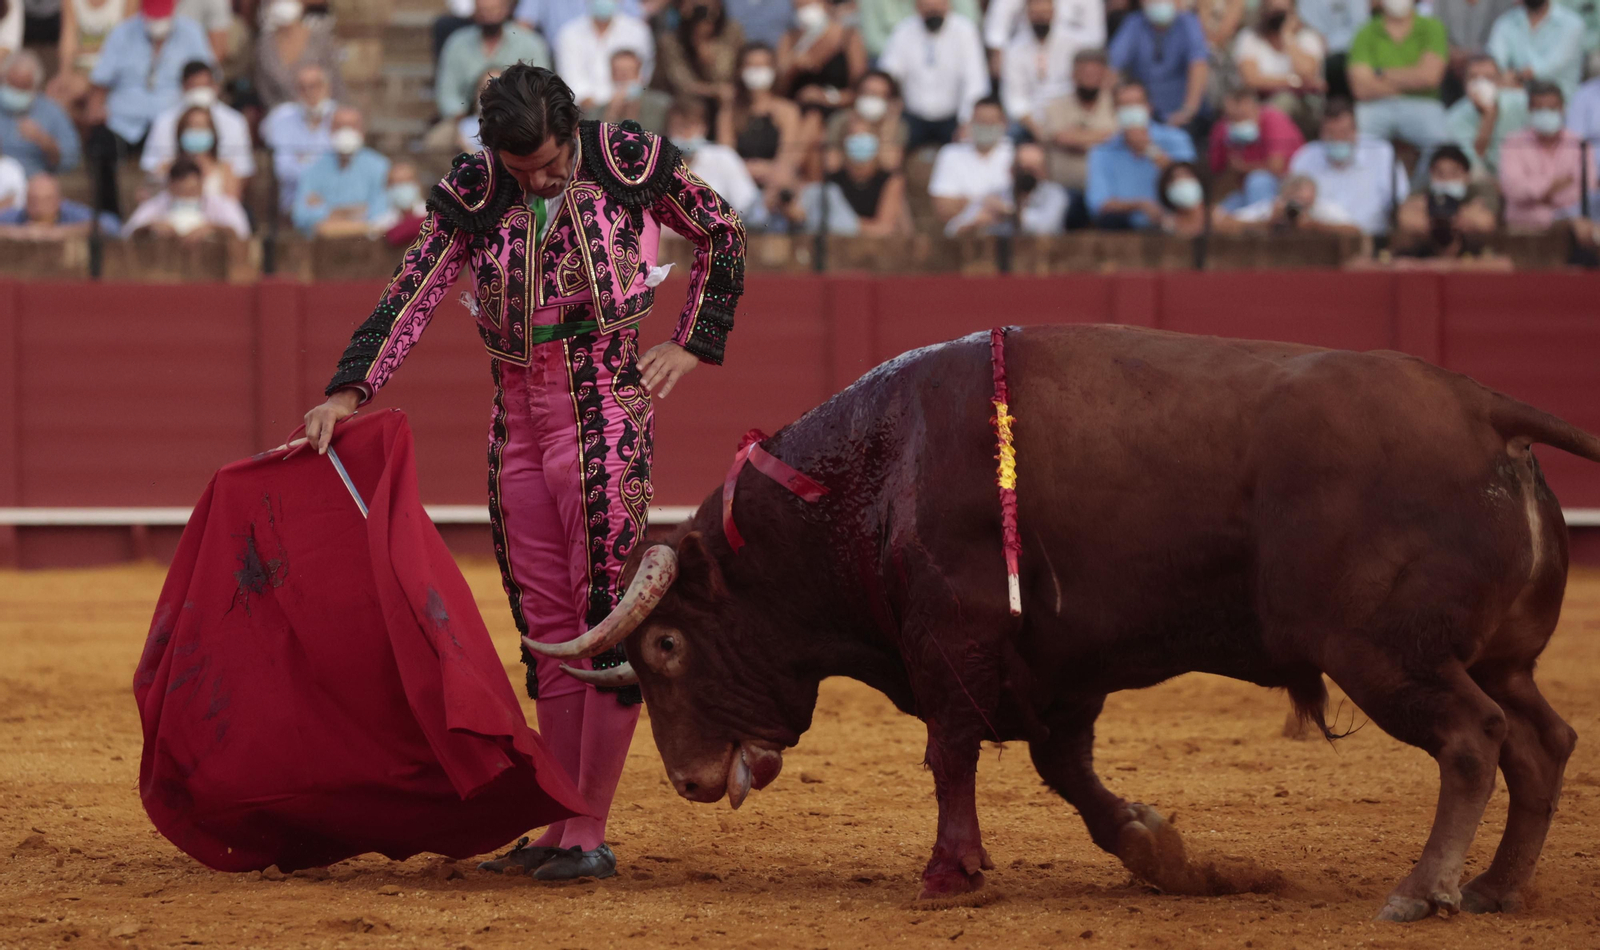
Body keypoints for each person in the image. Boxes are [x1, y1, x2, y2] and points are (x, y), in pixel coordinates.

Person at [301, 65, 746, 883]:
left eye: (549, 164)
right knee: (545, 623)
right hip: (517, 421)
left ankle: (589, 828)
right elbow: (416, 288)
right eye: (521, 172)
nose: (538, 182)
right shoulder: (478, 188)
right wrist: (348, 388)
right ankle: (557, 821)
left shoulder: (627, 160)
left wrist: (691, 341)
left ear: (570, 131)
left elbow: (723, 231)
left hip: (604, 409)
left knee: (603, 617)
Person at [89, 0, 214, 151]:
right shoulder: (122, 32)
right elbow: (101, 79)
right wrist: (96, 107)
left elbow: (207, 75)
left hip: (174, 122)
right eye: (153, 14)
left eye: (162, 14)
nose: (157, 20)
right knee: (100, 142)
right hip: (124, 123)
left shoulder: (191, 32)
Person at [1345, 0, 1449, 176]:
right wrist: (1413, 81)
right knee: (1356, 142)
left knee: (1444, 146)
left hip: (1424, 106)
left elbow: (1431, 77)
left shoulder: (1433, 27)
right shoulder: (1365, 31)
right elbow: (1360, 88)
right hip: (1375, 106)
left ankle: (1417, 195)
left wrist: (1379, 73)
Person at [878, 0, 990, 151]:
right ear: (917, 7)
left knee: (969, 145)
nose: (933, 11)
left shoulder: (965, 31)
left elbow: (975, 80)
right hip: (913, 116)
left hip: (954, 117)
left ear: (948, 5)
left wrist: (967, 120)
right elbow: (889, 75)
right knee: (888, 141)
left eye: (937, 7)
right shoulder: (903, 31)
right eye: (927, 7)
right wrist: (891, 109)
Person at [1287, 97, 1408, 235]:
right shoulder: (1305, 157)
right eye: (1331, 133)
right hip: (1320, 240)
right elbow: (1292, 204)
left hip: (1371, 240)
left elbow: (1400, 202)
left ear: (1356, 131)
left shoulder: (1382, 153)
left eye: (1344, 132)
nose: (1338, 139)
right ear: (1320, 132)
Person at [436, 0, 550, 147]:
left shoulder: (529, 42)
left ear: (507, 10)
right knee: (436, 142)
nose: (489, 16)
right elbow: (447, 92)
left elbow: (541, 87)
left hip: (520, 116)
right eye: (483, 10)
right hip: (468, 117)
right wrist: (461, 118)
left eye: (494, 10)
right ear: (474, 11)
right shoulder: (457, 43)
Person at [1085, 80, 1196, 229]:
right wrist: (1140, 205)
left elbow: (1189, 189)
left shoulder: (1176, 139)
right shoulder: (1102, 151)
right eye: (1125, 105)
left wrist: (1151, 150)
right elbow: (1098, 204)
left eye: (1137, 103)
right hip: (1125, 232)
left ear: (1149, 107)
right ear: (1115, 111)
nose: (1131, 109)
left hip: (1173, 226)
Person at [1499, 81, 1597, 231]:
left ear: (1562, 109)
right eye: (1540, 108)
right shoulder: (1513, 143)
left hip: (1574, 226)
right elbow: (1514, 189)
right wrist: (1556, 185)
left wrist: (1540, 194)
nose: (1546, 113)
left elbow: (1587, 189)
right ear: (1530, 110)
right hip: (1527, 227)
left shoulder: (1579, 144)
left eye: (1552, 108)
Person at [1038, 47, 1115, 227]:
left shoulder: (1116, 105)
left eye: (1095, 73)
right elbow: (1062, 138)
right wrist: (1101, 139)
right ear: (1073, 74)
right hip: (1064, 190)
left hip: (1108, 192)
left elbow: (1119, 137)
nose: (1089, 78)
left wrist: (1078, 137)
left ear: (1105, 75)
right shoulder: (1055, 106)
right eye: (1084, 73)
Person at [141, 60, 252, 181]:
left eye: (205, 85)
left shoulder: (235, 121)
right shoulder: (164, 121)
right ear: (183, 87)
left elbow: (242, 171)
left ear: (215, 86)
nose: (200, 91)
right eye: (194, 86)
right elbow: (151, 168)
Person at [1106, 0, 1210, 130]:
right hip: (1144, 116)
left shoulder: (1188, 22)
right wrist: (1112, 109)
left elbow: (1198, 65)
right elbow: (1112, 66)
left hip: (1185, 115)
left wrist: (1188, 110)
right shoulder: (1133, 22)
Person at [291, 106, 389, 236]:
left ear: (362, 130)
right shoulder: (313, 168)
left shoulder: (380, 166)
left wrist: (329, 212)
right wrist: (350, 213)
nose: (346, 131)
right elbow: (301, 215)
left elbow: (382, 211)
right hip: (323, 246)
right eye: (340, 126)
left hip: (366, 243)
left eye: (352, 126)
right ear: (330, 130)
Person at [666, 95, 765, 224]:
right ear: (668, 129)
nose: (685, 133)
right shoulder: (656, 164)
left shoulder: (723, 157)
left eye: (691, 126)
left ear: (704, 128)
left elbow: (749, 208)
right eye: (679, 127)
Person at [721, 42, 804, 195]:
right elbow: (725, 155)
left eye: (762, 65)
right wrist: (748, 170)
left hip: (775, 184)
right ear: (740, 70)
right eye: (751, 65)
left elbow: (788, 157)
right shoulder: (730, 110)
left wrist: (766, 170)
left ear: (773, 70)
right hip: (737, 184)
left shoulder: (788, 110)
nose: (757, 70)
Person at [1231, 0, 1325, 129]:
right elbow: (1251, 79)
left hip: (1301, 107)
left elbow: (1307, 73)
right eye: (1273, 11)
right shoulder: (1250, 37)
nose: (1276, 18)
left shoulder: (1308, 37)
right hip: (1257, 103)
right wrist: (1294, 82)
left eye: (1281, 12)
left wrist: (1287, 36)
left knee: (1284, 101)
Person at [928, 96, 1015, 235]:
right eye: (981, 121)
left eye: (991, 122)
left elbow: (1026, 207)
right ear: (970, 122)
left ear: (1004, 123)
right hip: (963, 236)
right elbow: (942, 208)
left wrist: (967, 202)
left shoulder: (1016, 154)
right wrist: (985, 205)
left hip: (1009, 235)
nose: (986, 126)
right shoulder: (950, 154)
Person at [1207, 86, 1302, 210]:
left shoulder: (1274, 120)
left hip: (1284, 186)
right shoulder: (1223, 130)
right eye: (1231, 117)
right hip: (1244, 190)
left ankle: (1261, 225)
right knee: (1220, 212)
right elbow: (1218, 174)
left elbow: (1276, 167)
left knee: (1258, 180)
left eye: (1242, 116)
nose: (1237, 122)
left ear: (1255, 108)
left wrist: (1242, 167)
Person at [1394, 143, 1498, 255]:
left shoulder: (1480, 190)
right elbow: (1405, 218)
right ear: (1431, 174)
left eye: (1454, 173)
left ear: (1467, 175)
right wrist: (1459, 215)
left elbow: (1486, 222)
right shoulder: (1423, 192)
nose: (1447, 179)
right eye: (1440, 174)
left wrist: (1445, 212)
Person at [260, 63, 335, 213]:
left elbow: (345, 167)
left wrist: (303, 161)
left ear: (327, 87)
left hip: (336, 196)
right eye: (302, 87)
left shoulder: (341, 116)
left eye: (314, 86)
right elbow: (284, 170)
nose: (309, 92)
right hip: (295, 198)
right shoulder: (280, 118)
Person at [1001, 0, 1083, 134]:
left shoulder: (1074, 43)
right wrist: (1036, 129)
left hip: (1069, 114)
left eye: (1045, 13)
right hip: (1031, 120)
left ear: (1054, 13)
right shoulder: (1014, 50)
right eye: (1036, 14)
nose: (1041, 18)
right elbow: (1014, 98)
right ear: (1027, 15)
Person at [554, 0, 652, 112]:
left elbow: (641, 76)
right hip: (582, 111)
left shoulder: (638, 31)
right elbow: (570, 78)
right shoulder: (569, 33)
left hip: (628, 108)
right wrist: (595, 108)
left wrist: (619, 100)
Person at [657, 0, 747, 116]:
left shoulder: (732, 31)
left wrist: (712, 58)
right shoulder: (671, 42)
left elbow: (729, 73)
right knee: (691, 105)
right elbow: (683, 84)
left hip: (727, 97)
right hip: (688, 102)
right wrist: (715, 90)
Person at [123, 156, 249, 237]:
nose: (187, 197)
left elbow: (243, 235)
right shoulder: (156, 204)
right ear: (170, 187)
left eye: (192, 191)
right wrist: (149, 227)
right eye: (181, 191)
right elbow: (126, 235)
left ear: (202, 184)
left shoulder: (223, 204)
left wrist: (213, 228)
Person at [0, 50, 81, 177]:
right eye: (12, 85)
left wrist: (44, 141)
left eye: (22, 88)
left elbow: (71, 159)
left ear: (35, 86)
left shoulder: (51, 111)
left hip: (35, 183)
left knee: (44, 191)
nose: (15, 92)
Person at [1485, 0, 1586, 101]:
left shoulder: (1572, 23)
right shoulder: (1506, 21)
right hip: (1516, 97)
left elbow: (1549, 67)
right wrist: (1503, 77)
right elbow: (1494, 61)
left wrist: (1516, 76)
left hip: (1561, 101)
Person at [1445, 53, 1528, 174]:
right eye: (1474, 78)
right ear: (1464, 82)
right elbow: (1473, 163)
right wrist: (1489, 116)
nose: (1481, 84)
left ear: (1500, 81)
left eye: (1488, 78)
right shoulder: (1454, 118)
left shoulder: (1521, 103)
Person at [254, 0, 344, 111]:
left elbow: (335, 80)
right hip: (280, 113)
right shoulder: (264, 44)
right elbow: (263, 86)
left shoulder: (319, 38)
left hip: (322, 112)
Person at [777, 0, 866, 109]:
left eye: (809, 4)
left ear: (827, 3)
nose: (805, 10)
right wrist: (792, 68)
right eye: (799, 6)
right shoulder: (789, 39)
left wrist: (826, 97)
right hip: (796, 110)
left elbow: (860, 88)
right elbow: (778, 89)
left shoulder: (849, 37)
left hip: (836, 110)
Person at [822, 69, 908, 170]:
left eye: (877, 95)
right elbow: (831, 165)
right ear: (857, 94)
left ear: (888, 100)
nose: (871, 98)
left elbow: (890, 164)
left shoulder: (896, 125)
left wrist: (881, 132)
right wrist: (852, 137)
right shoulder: (841, 119)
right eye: (867, 93)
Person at [1223, 171, 1362, 233]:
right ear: (1283, 198)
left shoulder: (1322, 209)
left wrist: (1314, 225)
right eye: (1295, 201)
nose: (1299, 208)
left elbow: (1354, 230)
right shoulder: (1273, 208)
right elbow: (1225, 223)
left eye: (1305, 203)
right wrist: (1267, 224)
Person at [983, 0, 1103, 72]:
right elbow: (996, 30)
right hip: (1026, 51)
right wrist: (998, 56)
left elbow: (1095, 38)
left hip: (1071, 58)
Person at [0, 170, 121, 234]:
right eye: (33, 200)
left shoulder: (70, 212)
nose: (39, 207)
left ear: (58, 200)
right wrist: (19, 233)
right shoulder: (17, 216)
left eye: (46, 200)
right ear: (25, 201)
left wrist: (56, 232)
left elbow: (112, 225)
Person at [859, 0, 980, 58]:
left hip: (951, 49)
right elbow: (873, 40)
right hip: (894, 55)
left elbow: (970, 24)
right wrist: (913, 53)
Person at [588, 49, 671, 132]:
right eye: (618, 72)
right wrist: (611, 113)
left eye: (629, 71)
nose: (624, 77)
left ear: (639, 73)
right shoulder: (596, 112)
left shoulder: (663, 105)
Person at [514, 0, 642, 48]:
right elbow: (523, 25)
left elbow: (637, 24)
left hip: (616, 57)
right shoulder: (569, 35)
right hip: (558, 59)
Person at [1010, 140, 1070, 234]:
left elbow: (1045, 227)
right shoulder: (1002, 193)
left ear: (1044, 171)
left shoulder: (1055, 194)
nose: (1027, 175)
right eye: (1023, 169)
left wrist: (1012, 213)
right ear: (1012, 170)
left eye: (1033, 170)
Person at [375, 160, 427, 246]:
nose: (402, 186)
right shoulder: (382, 223)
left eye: (407, 182)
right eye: (397, 183)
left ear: (417, 184)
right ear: (388, 188)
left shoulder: (433, 215)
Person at [1154, 160, 1205, 234]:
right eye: (1174, 178)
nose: (1181, 181)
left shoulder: (1219, 219)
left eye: (1186, 175)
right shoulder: (1167, 227)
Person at [724, 0, 791, 46]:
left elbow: (794, 30)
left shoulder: (785, 2)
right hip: (738, 54)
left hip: (776, 55)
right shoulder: (728, 3)